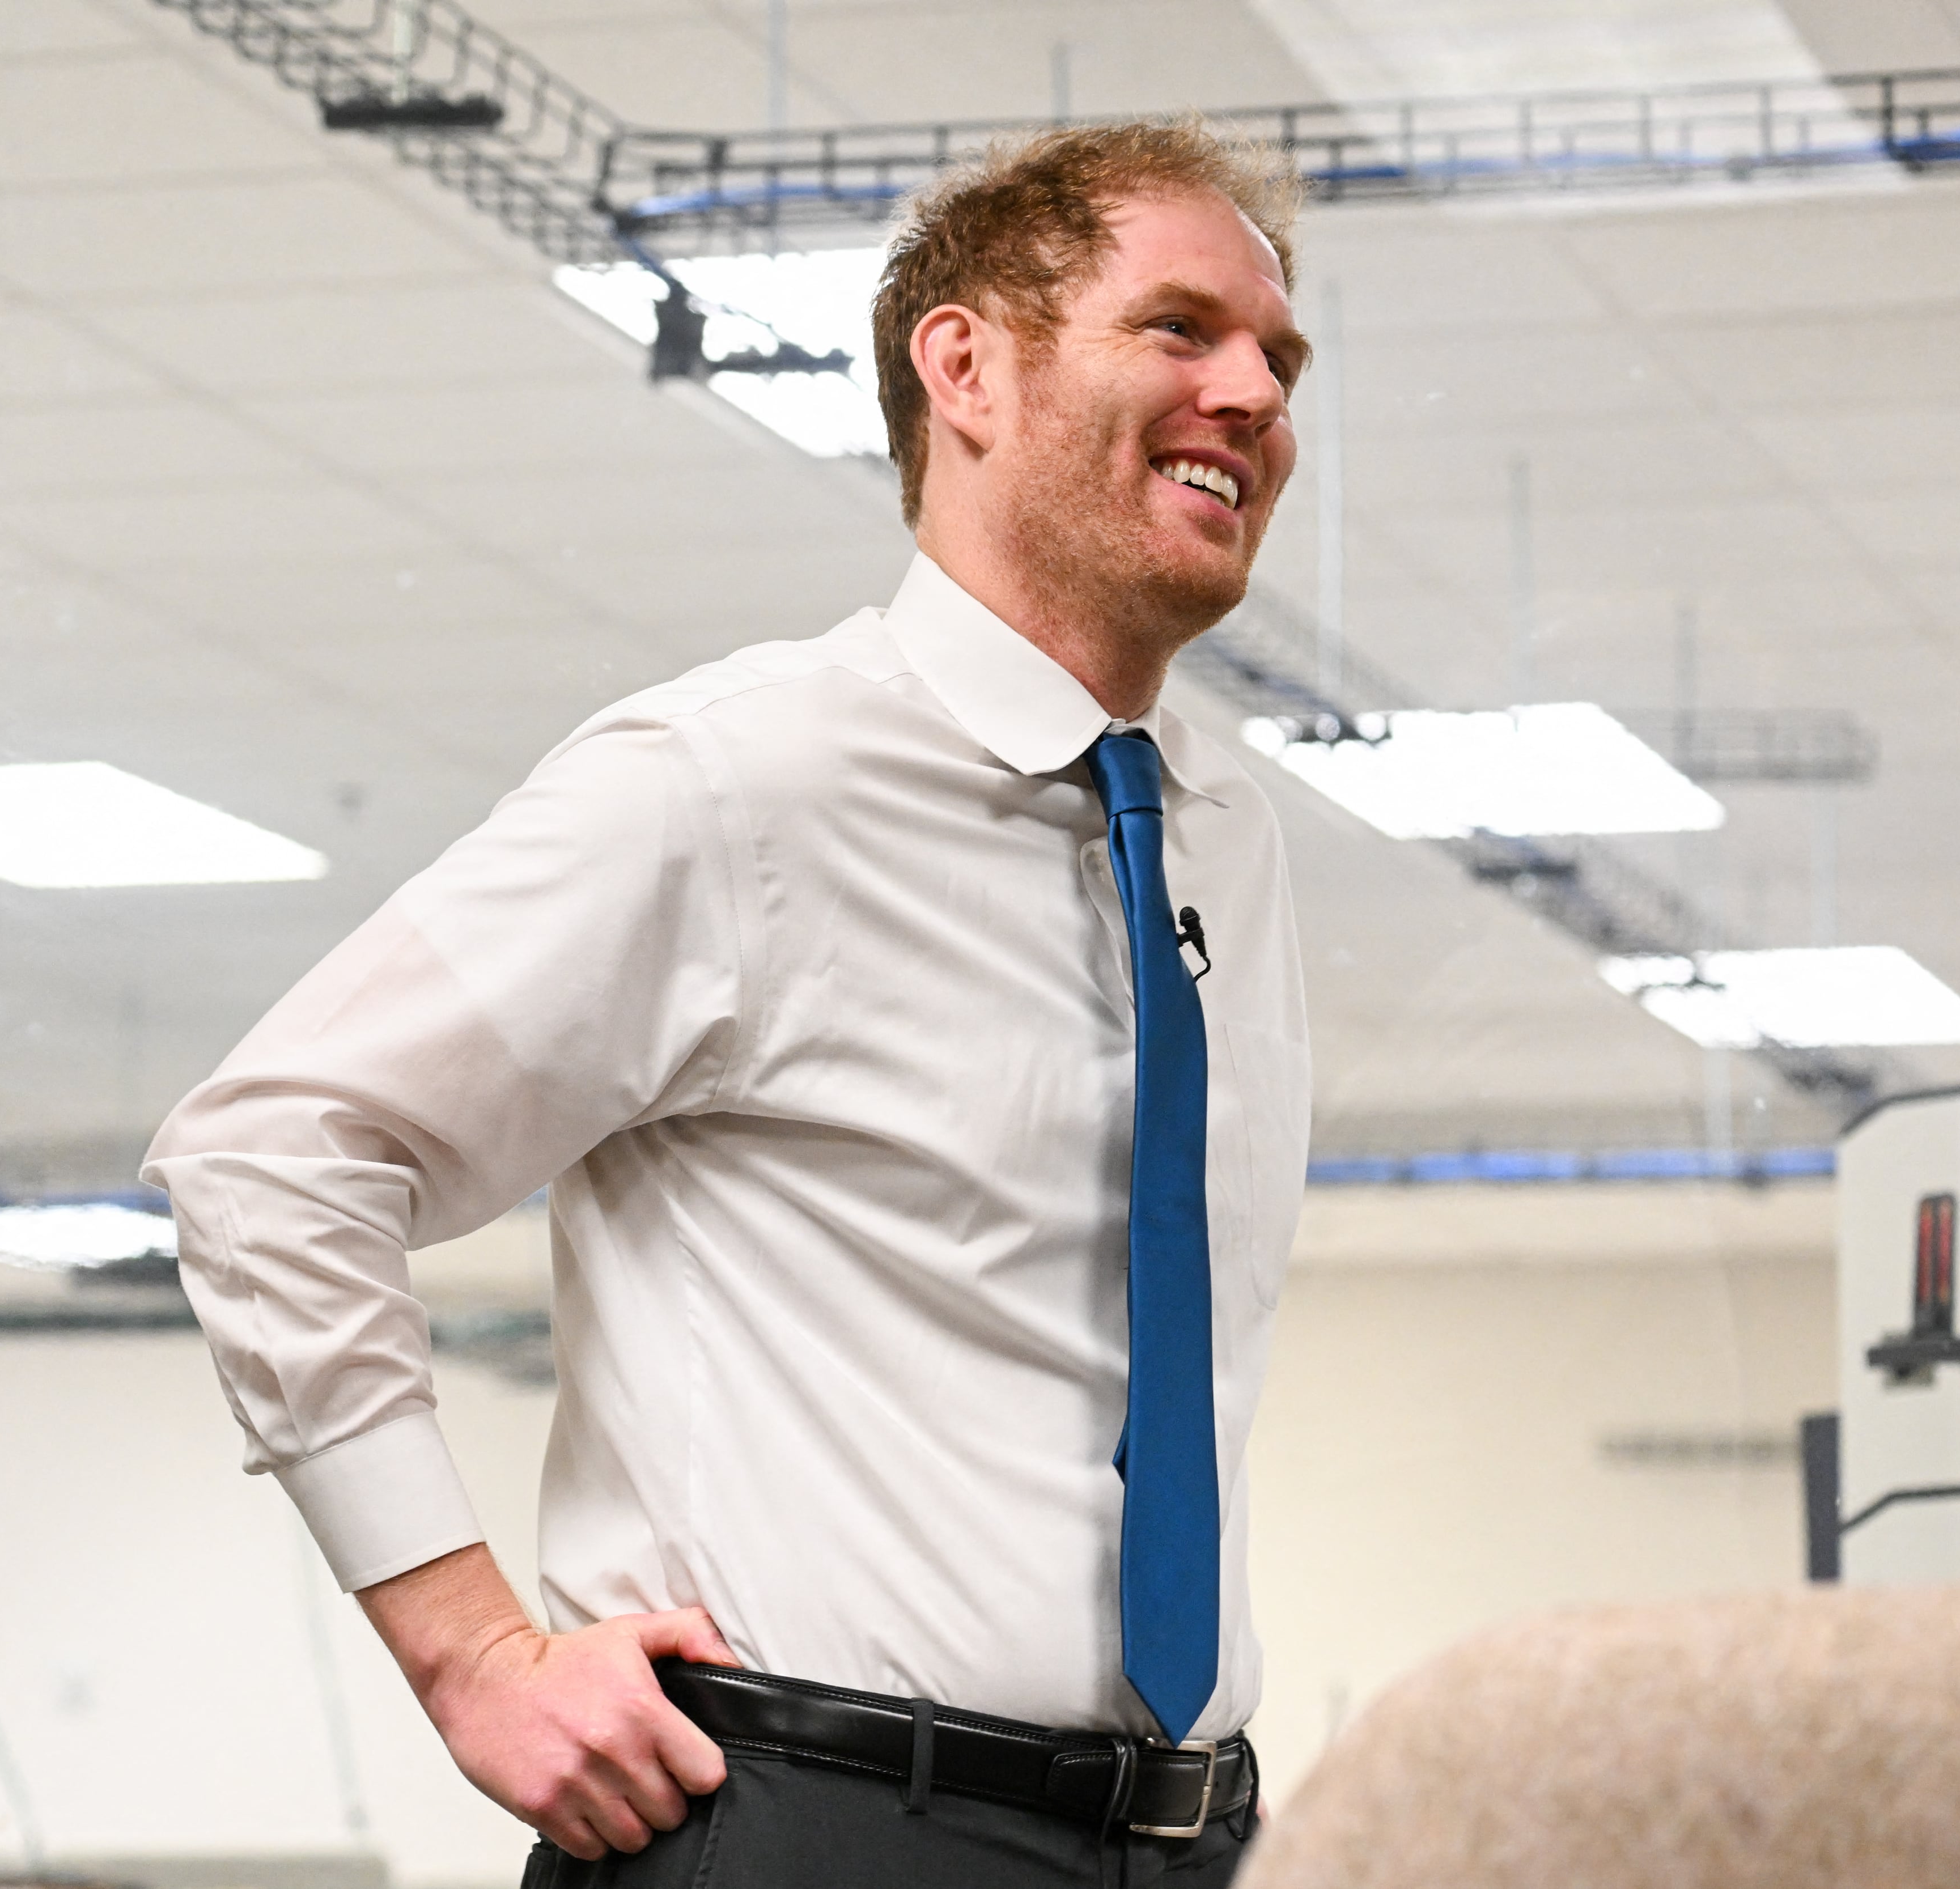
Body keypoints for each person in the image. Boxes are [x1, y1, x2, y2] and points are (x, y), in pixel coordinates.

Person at [144, 119, 1313, 1887]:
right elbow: (272, 1152)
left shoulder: (1223, 836)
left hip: (1181, 1841)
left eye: (1280, 362)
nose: (1254, 394)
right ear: (967, 366)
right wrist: (472, 1658)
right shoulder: (737, 780)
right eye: (1181, 331)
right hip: (808, 1826)